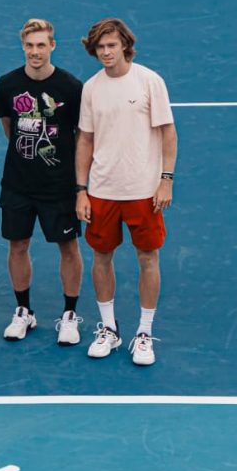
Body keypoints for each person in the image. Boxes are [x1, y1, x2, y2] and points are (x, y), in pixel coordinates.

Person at [74, 18, 177, 366]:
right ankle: (108, 328)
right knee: (101, 257)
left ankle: (144, 332)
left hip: (144, 191)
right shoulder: (91, 88)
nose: (106, 52)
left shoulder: (150, 81)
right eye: (100, 47)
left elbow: (167, 132)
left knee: (148, 258)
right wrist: (81, 190)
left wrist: (166, 179)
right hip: (103, 190)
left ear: (125, 46)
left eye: (111, 46)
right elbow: (85, 139)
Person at [0, 19, 85, 345]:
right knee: (17, 245)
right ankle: (24, 312)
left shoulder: (72, 88)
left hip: (59, 186)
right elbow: (10, 129)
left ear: (52, 46)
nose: (35, 52)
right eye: (30, 45)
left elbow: (80, 137)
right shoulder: (7, 84)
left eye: (41, 45)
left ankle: (70, 315)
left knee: (69, 247)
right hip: (17, 184)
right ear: (23, 46)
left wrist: (78, 187)